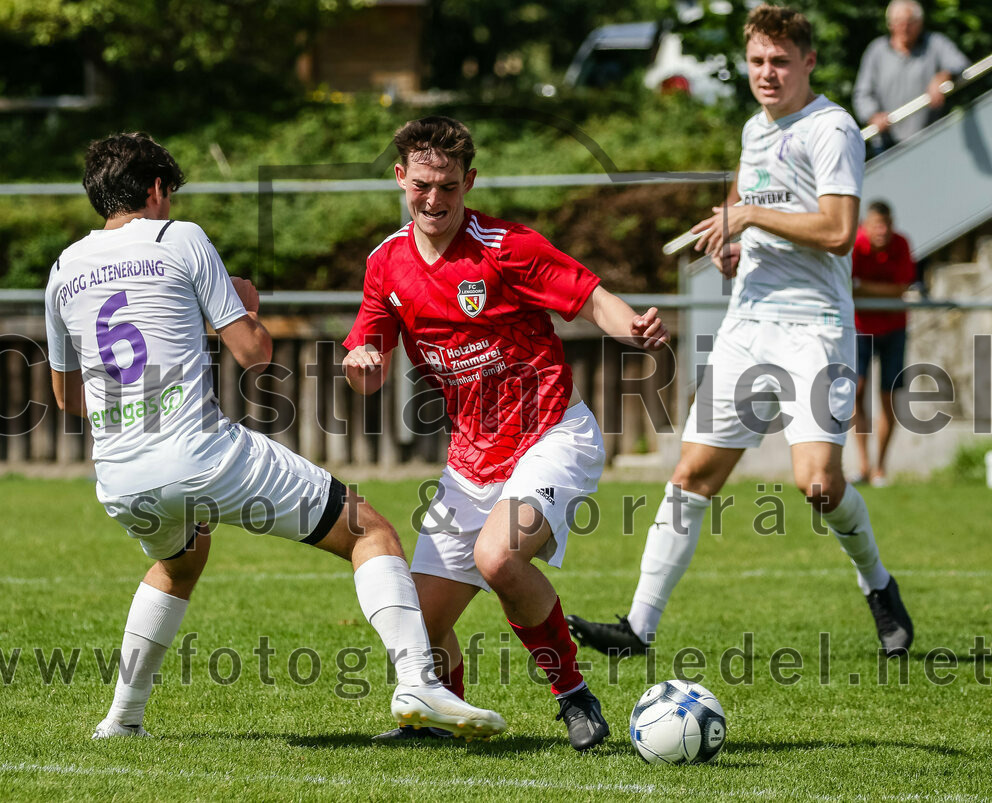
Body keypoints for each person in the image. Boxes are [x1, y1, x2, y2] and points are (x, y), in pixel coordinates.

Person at [45, 132, 507, 741]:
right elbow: (254, 353)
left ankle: (121, 720)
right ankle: (419, 680)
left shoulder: (63, 269)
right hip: (203, 457)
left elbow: (67, 399)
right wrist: (240, 305)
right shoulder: (177, 236)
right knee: (371, 530)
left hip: (121, 475)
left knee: (179, 562)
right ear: (156, 190)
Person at [567, 6, 914, 662]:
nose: (767, 73)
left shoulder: (832, 128)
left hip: (813, 329)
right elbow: (741, 206)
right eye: (757, 61)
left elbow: (839, 230)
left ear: (808, 62)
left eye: (780, 61)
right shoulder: (756, 128)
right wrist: (729, 243)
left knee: (818, 485)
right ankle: (638, 626)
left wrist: (751, 214)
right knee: (692, 471)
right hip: (747, 324)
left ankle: (877, 582)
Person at [342, 116, 670, 750]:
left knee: (498, 556)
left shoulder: (504, 246)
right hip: (471, 462)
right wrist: (361, 364)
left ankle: (572, 693)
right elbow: (368, 372)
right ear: (399, 179)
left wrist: (630, 327)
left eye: (447, 187)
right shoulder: (386, 265)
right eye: (420, 186)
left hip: (552, 434)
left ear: (469, 182)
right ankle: (445, 714)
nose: (433, 200)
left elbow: (591, 295)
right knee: (418, 629)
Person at [851, 201, 915, 487]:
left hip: (894, 329)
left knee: (888, 399)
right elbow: (845, 284)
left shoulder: (901, 244)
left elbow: (902, 288)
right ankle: (863, 466)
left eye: (886, 225)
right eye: (877, 225)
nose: (882, 231)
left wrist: (862, 287)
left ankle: (880, 469)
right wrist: (884, 292)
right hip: (860, 328)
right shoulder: (854, 244)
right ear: (866, 225)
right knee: (856, 393)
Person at [852, 0, 968, 149]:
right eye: (898, 22)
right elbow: (862, 93)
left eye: (909, 22)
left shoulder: (935, 43)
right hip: (886, 143)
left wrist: (943, 76)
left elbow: (960, 64)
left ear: (920, 23)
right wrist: (873, 115)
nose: (904, 27)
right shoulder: (876, 51)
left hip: (930, 137)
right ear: (890, 24)